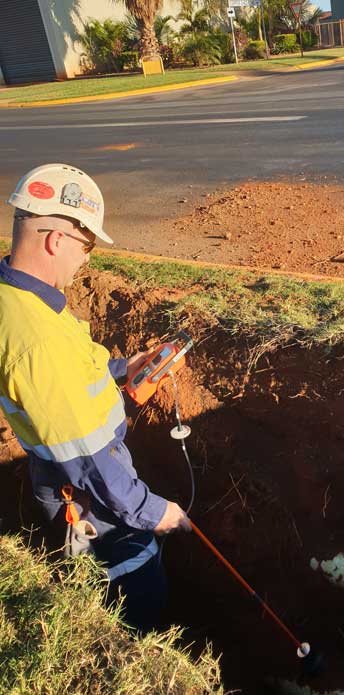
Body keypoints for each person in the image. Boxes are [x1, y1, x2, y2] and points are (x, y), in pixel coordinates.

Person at [0, 163, 190, 633]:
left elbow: (71, 375)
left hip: (77, 484)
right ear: (55, 240)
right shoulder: (35, 340)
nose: (87, 259)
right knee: (141, 594)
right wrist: (157, 512)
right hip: (94, 507)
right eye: (86, 246)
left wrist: (127, 367)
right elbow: (91, 463)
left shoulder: (23, 303)